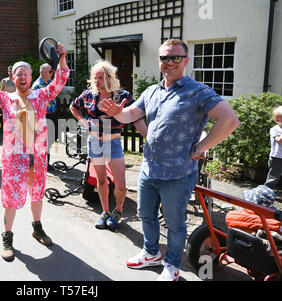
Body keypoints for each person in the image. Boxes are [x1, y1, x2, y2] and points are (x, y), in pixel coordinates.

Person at [99, 39, 240, 281]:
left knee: (175, 224)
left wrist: (202, 146)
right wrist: (117, 113)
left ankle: (173, 265)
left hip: (178, 174)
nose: (170, 62)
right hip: (148, 170)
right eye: (165, 58)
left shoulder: (198, 92)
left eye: (176, 57)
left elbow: (229, 120)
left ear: (186, 61)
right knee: (146, 214)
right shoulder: (152, 91)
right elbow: (131, 114)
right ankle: (152, 253)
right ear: (159, 61)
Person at [0, 43, 69, 261]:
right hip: (15, 160)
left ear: (31, 77)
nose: (22, 76)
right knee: (10, 200)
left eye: (25, 73)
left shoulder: (41, 96)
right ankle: (7, 237)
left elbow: (59, 81)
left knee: (37, 194)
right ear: (12, 79)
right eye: (18, 74)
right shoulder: (6, 99)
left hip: (38, 157)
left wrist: (61, 58)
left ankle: (37, 227)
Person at [70, 60, 147, 232]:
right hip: (95, 142)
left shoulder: (122, 96)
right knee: (101, 180)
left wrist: (147, 135)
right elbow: (73, 107)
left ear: (110, 78)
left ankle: (118, 211)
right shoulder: (88, 95)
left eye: (100, 77)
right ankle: (105, 212)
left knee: (120, 184)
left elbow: (135, 116)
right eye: (94, 77)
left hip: (113, 142)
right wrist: (85, 124)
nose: (96, 81)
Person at [32, 63, 57, 170]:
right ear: (43, 72)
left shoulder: (50, 82)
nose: (52, 74)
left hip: (53, 114)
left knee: (53, 137)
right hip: (43, 117)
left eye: (52, 71)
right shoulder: (37, 86)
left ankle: (43, 160)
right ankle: (44, 163)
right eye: (50, 71)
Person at [264, 106, 282, 188]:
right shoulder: (274, 129)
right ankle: (265, 193)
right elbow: (279, 140)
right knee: (273, 178)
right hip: (276, 158)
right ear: (277, 120)